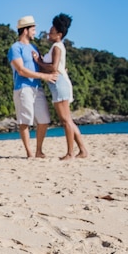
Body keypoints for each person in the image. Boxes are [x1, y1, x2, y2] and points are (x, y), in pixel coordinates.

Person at [33, 13, 88, 160]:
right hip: (58, 85)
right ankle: (82, 151)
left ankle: (70, 153)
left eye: (52, 32)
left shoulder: (57, 47)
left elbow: (53, 68)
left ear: (59, 34)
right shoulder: (56, 47)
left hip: (60, 85)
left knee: (65, 121)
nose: (49, 34)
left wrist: (38, 61)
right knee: (68, 120)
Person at [8, 15, 58, 158]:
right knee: (25, 121)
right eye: (33, 29)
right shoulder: (15, 48)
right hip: (23, 88)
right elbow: (21, 70)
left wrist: (56, 71)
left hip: (37, 88)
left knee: (44, 120)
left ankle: (38, 150)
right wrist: (44, 76)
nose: (35, 32)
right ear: (25, 30)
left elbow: (41, 66)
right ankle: (29, 153)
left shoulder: (33, 47)